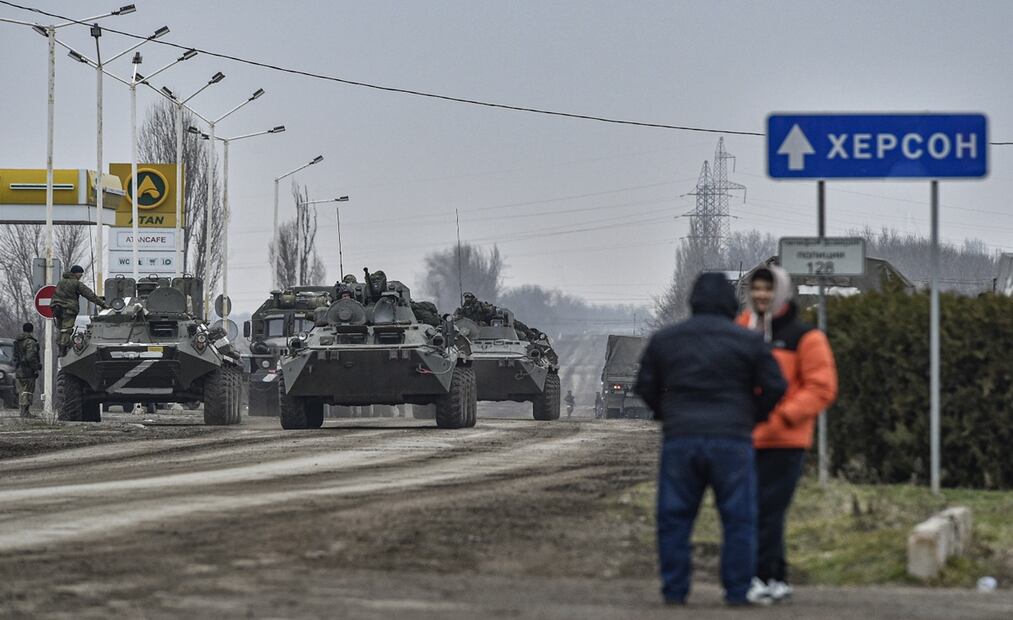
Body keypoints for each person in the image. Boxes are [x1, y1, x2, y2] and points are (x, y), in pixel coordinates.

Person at [635, 272, 787, 607]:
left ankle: (674, 590)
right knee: (738, 518)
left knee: (674, 516)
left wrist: (666, 412)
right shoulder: (748, 341)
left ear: (693, 301)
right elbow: (776, 385)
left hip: (681, 438)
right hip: (733, 439)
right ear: (731, 304)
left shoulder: (666, 339)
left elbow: (644, 385)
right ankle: (737, 591)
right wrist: (753, 415)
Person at [738, 265, 838, 604]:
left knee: (767, 509)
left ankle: (761, 575)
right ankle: (775, 577)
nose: (761, 295)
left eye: (768, 288)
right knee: (755, 509)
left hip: (785, 440)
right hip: (745, 438)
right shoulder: (741, 328)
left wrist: (783, 416)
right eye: (756, 288)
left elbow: (821, 387)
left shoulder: (805, 337)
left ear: (780, 291)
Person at [52, 265, 107, 356]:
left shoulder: (60, 282)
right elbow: (89, 295)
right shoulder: (76, 283)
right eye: (80, 274)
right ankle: (63, 350)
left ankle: (61, 348)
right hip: (69, 309)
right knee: (67, 329)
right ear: (76, 273)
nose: (81, 276)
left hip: (57, 309)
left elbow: (55, 295)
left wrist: (54, 306)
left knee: (61, 329)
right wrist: (103, 304)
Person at [12, 322, 41, 418]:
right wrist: (35, 368)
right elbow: (31, 357)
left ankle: (23, 411)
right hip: (28, 370)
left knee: (22, 391)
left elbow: (14, 356)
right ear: (31, 330)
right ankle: (25, 412)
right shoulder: (30, 342)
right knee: (28, 391)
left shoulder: (17, 341)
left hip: (19, 369)